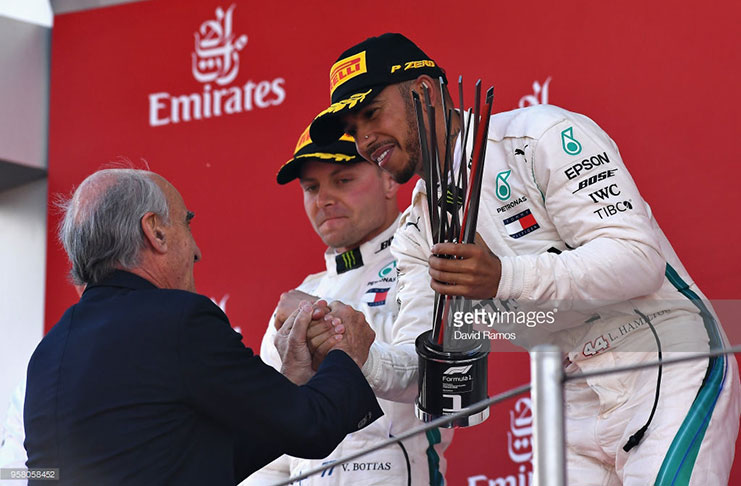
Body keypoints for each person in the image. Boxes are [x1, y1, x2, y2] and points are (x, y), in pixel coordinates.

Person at [309, 33, 741, 486]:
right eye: (352, 130)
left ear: (424, 92)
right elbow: (430, 364)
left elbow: (638, 259)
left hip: (661, 358)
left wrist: (503, 277)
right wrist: (362, 357)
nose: (363, 139)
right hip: (566, 392)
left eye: (371, 114)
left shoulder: (537, 136)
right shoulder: (417, 231)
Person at [24, 168, 383, 486]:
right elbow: (312, 427)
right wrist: (345, 354)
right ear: (156, 233)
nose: (196, 251)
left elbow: (195, 462)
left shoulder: (48, 352)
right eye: (186, 223)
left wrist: (288, 384)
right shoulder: (179, 320)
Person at [242, 126, 452, 485]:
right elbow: (271, 450)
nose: (323, 198)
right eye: (312, 188)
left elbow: (428, 378)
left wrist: (330, 328)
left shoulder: (426, 265)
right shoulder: (298, 297)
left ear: (389, 180)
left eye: (343, 180)